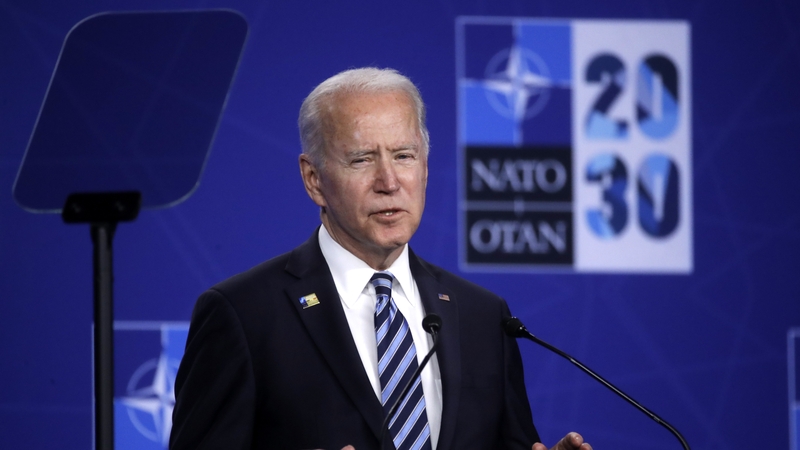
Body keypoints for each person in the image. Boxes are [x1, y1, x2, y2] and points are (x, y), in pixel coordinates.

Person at [170, 67, 591, 450]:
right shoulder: (245, 314)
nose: (389, 182)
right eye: (362, 159)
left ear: (425, 168)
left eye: (404, 156)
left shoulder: (483, 316)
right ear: (314, 179)